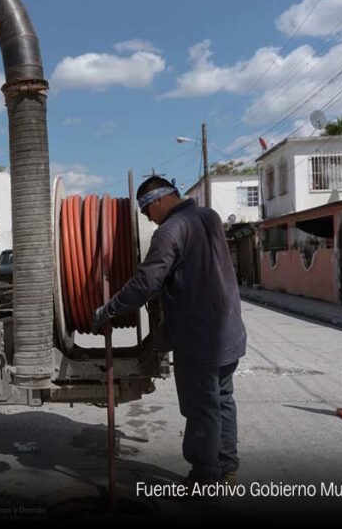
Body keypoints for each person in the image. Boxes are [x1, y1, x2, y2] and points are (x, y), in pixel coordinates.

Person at [93, 175, 247, 486]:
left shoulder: (169, 231)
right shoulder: (210, 217)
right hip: (229, 331)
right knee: (223, 399)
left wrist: (109, 309)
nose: (147, 218)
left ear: (159, 200)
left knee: (201, 408)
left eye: (146, 210)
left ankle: (205, 477)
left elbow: (145, 283)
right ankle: (227, 466)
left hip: (199, 338)